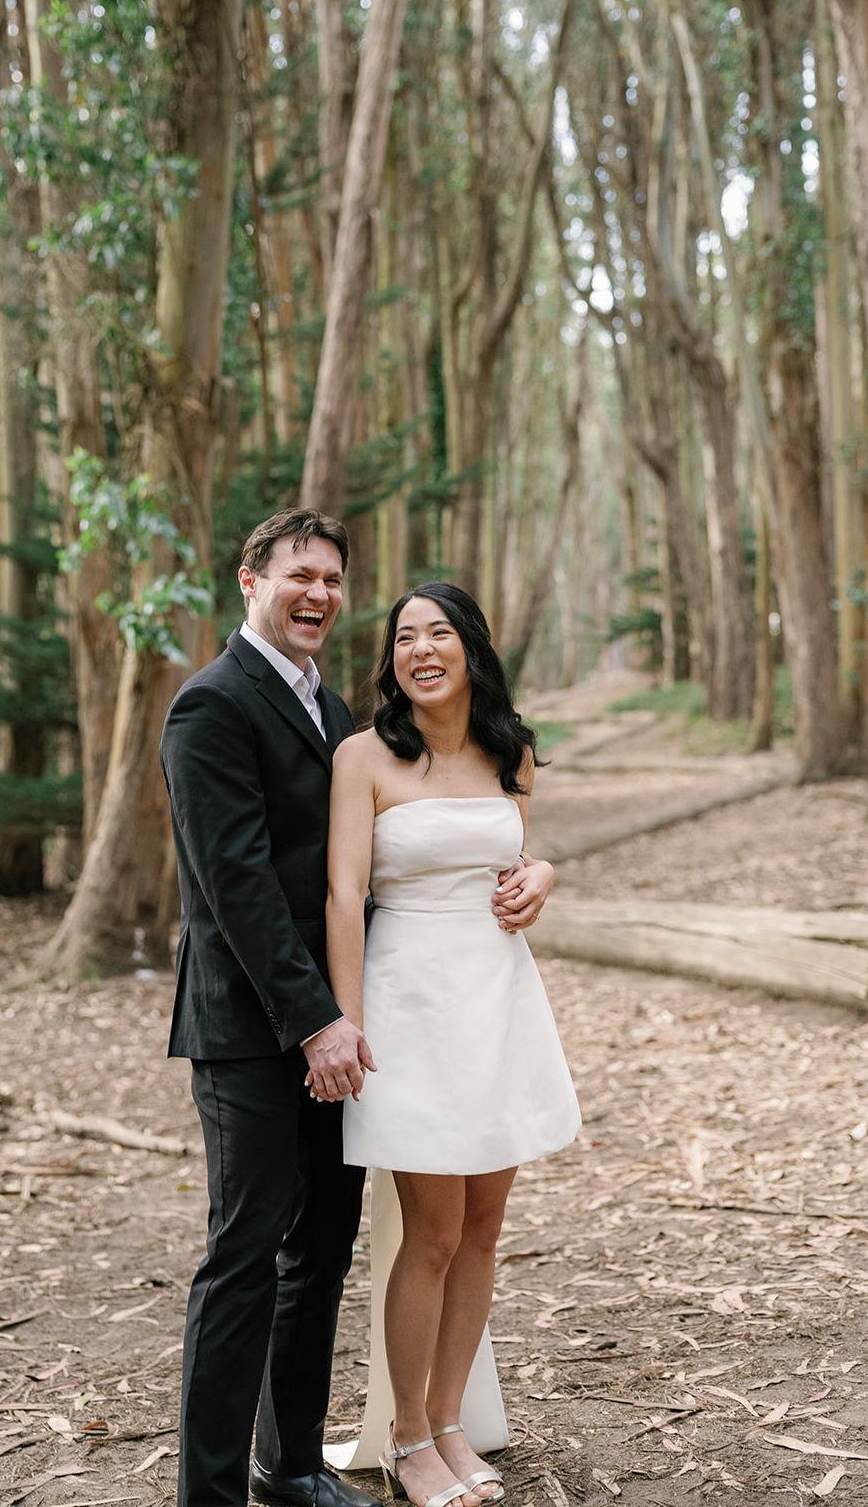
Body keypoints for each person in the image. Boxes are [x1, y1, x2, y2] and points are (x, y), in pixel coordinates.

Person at [314, 582, 581, 1507]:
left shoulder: (513, 752)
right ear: (390, 662)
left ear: (472, 646)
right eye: (403, 639)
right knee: (428, 1233)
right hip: (409, 1002)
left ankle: (454, 1419)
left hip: (498, 997)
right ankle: (406, 1437)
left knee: (482, 1230)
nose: (420, 650)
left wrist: (541, 872)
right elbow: (344, 896)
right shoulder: (365, 757)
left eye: (438, 634)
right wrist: (346, 1020)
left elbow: (516, 854)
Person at [160, 507, 379, 1507]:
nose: (320, 594)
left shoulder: (335, 715)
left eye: (333, 579)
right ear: (249, 580)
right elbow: (234, 882)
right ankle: (208, 1495)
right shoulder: (211, 705)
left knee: (324, 1246)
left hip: (338, 1031)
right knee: (244, 1256)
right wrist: (313, 1021)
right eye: (301, 574)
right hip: (253, 1031)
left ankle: (288, 1462)